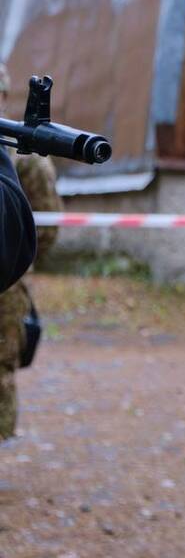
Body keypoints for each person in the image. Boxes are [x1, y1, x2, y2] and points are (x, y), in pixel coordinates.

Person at [0, 64, 59, 441]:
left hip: (8, 285)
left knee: (1, 365)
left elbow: (47, 225)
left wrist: (18, 255)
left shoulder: (24, 154)